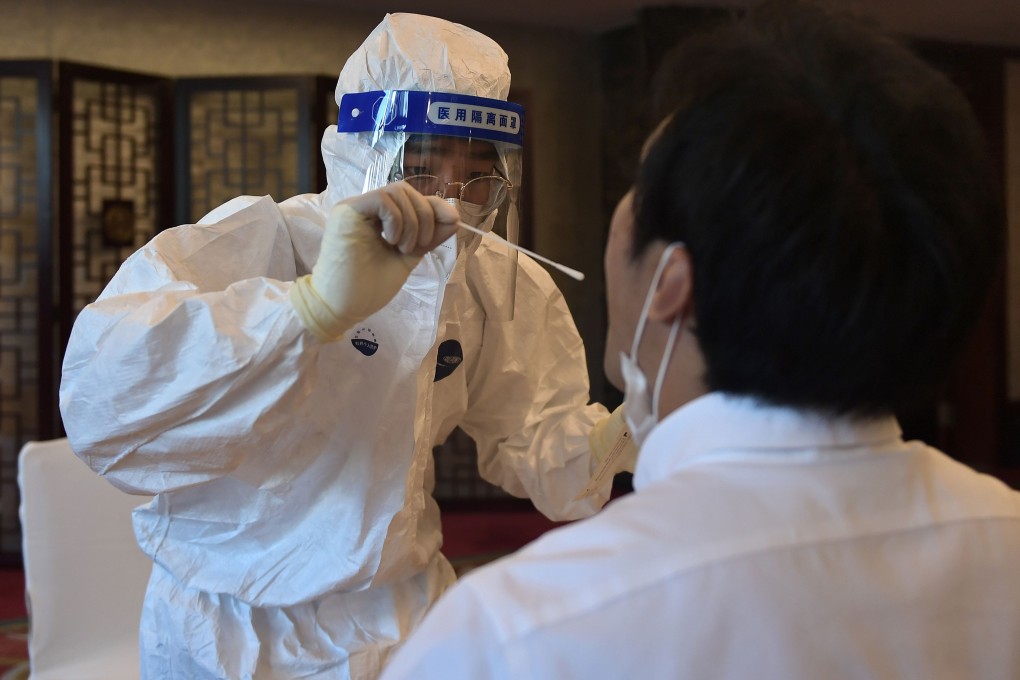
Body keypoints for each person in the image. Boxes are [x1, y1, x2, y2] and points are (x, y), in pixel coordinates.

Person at [380, 2, 1020, 678]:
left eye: (636, 193)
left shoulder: (514, 636)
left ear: (669, 281)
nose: (452, 196)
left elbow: (544, 452)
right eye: (424, 165)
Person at [58, 13, 632, 680]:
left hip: (401, 614)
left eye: (478, 173)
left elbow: (539, 438)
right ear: (362, 150)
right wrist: (309, 308)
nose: (450, 199)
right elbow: (108, 399)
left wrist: (626, 432)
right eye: (422, 163)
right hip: (232, 626)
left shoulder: (492, 279)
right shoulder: (266, 240)